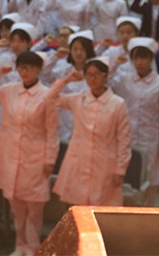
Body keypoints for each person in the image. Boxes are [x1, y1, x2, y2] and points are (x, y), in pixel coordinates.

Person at [0, 52, 58, 256]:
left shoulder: (46, 95)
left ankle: (33, 248)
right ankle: (20, 246)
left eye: (30, 67)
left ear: (38, 69)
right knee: (16, 206)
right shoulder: (9, 90)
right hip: (11, 157)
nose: (25, 71)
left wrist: (50, 159)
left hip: (36, 158)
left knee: (34, 209)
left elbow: (52, 131)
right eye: (22, 67)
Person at [45, 57, 132, 206]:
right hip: (79, 161)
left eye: (97, 74)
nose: (92, 79)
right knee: (78, 208)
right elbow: (48, 100)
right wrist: (66, 80)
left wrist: (120, 170)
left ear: (105, 75)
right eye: (89, 75)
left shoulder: (117, 104)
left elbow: (124, 139)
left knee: (101, 207)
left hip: (105, 164)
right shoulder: (79, 99)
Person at [110, 37, 159, 207]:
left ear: (151, 59)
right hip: (126, 136)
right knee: (125, 176)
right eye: (136, 58)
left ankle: (150, 212)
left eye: (144, 57)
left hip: (150, 137)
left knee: (151, 178)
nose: (139, 62)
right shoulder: (124, 79)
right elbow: (105, 83)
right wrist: (115, 64)